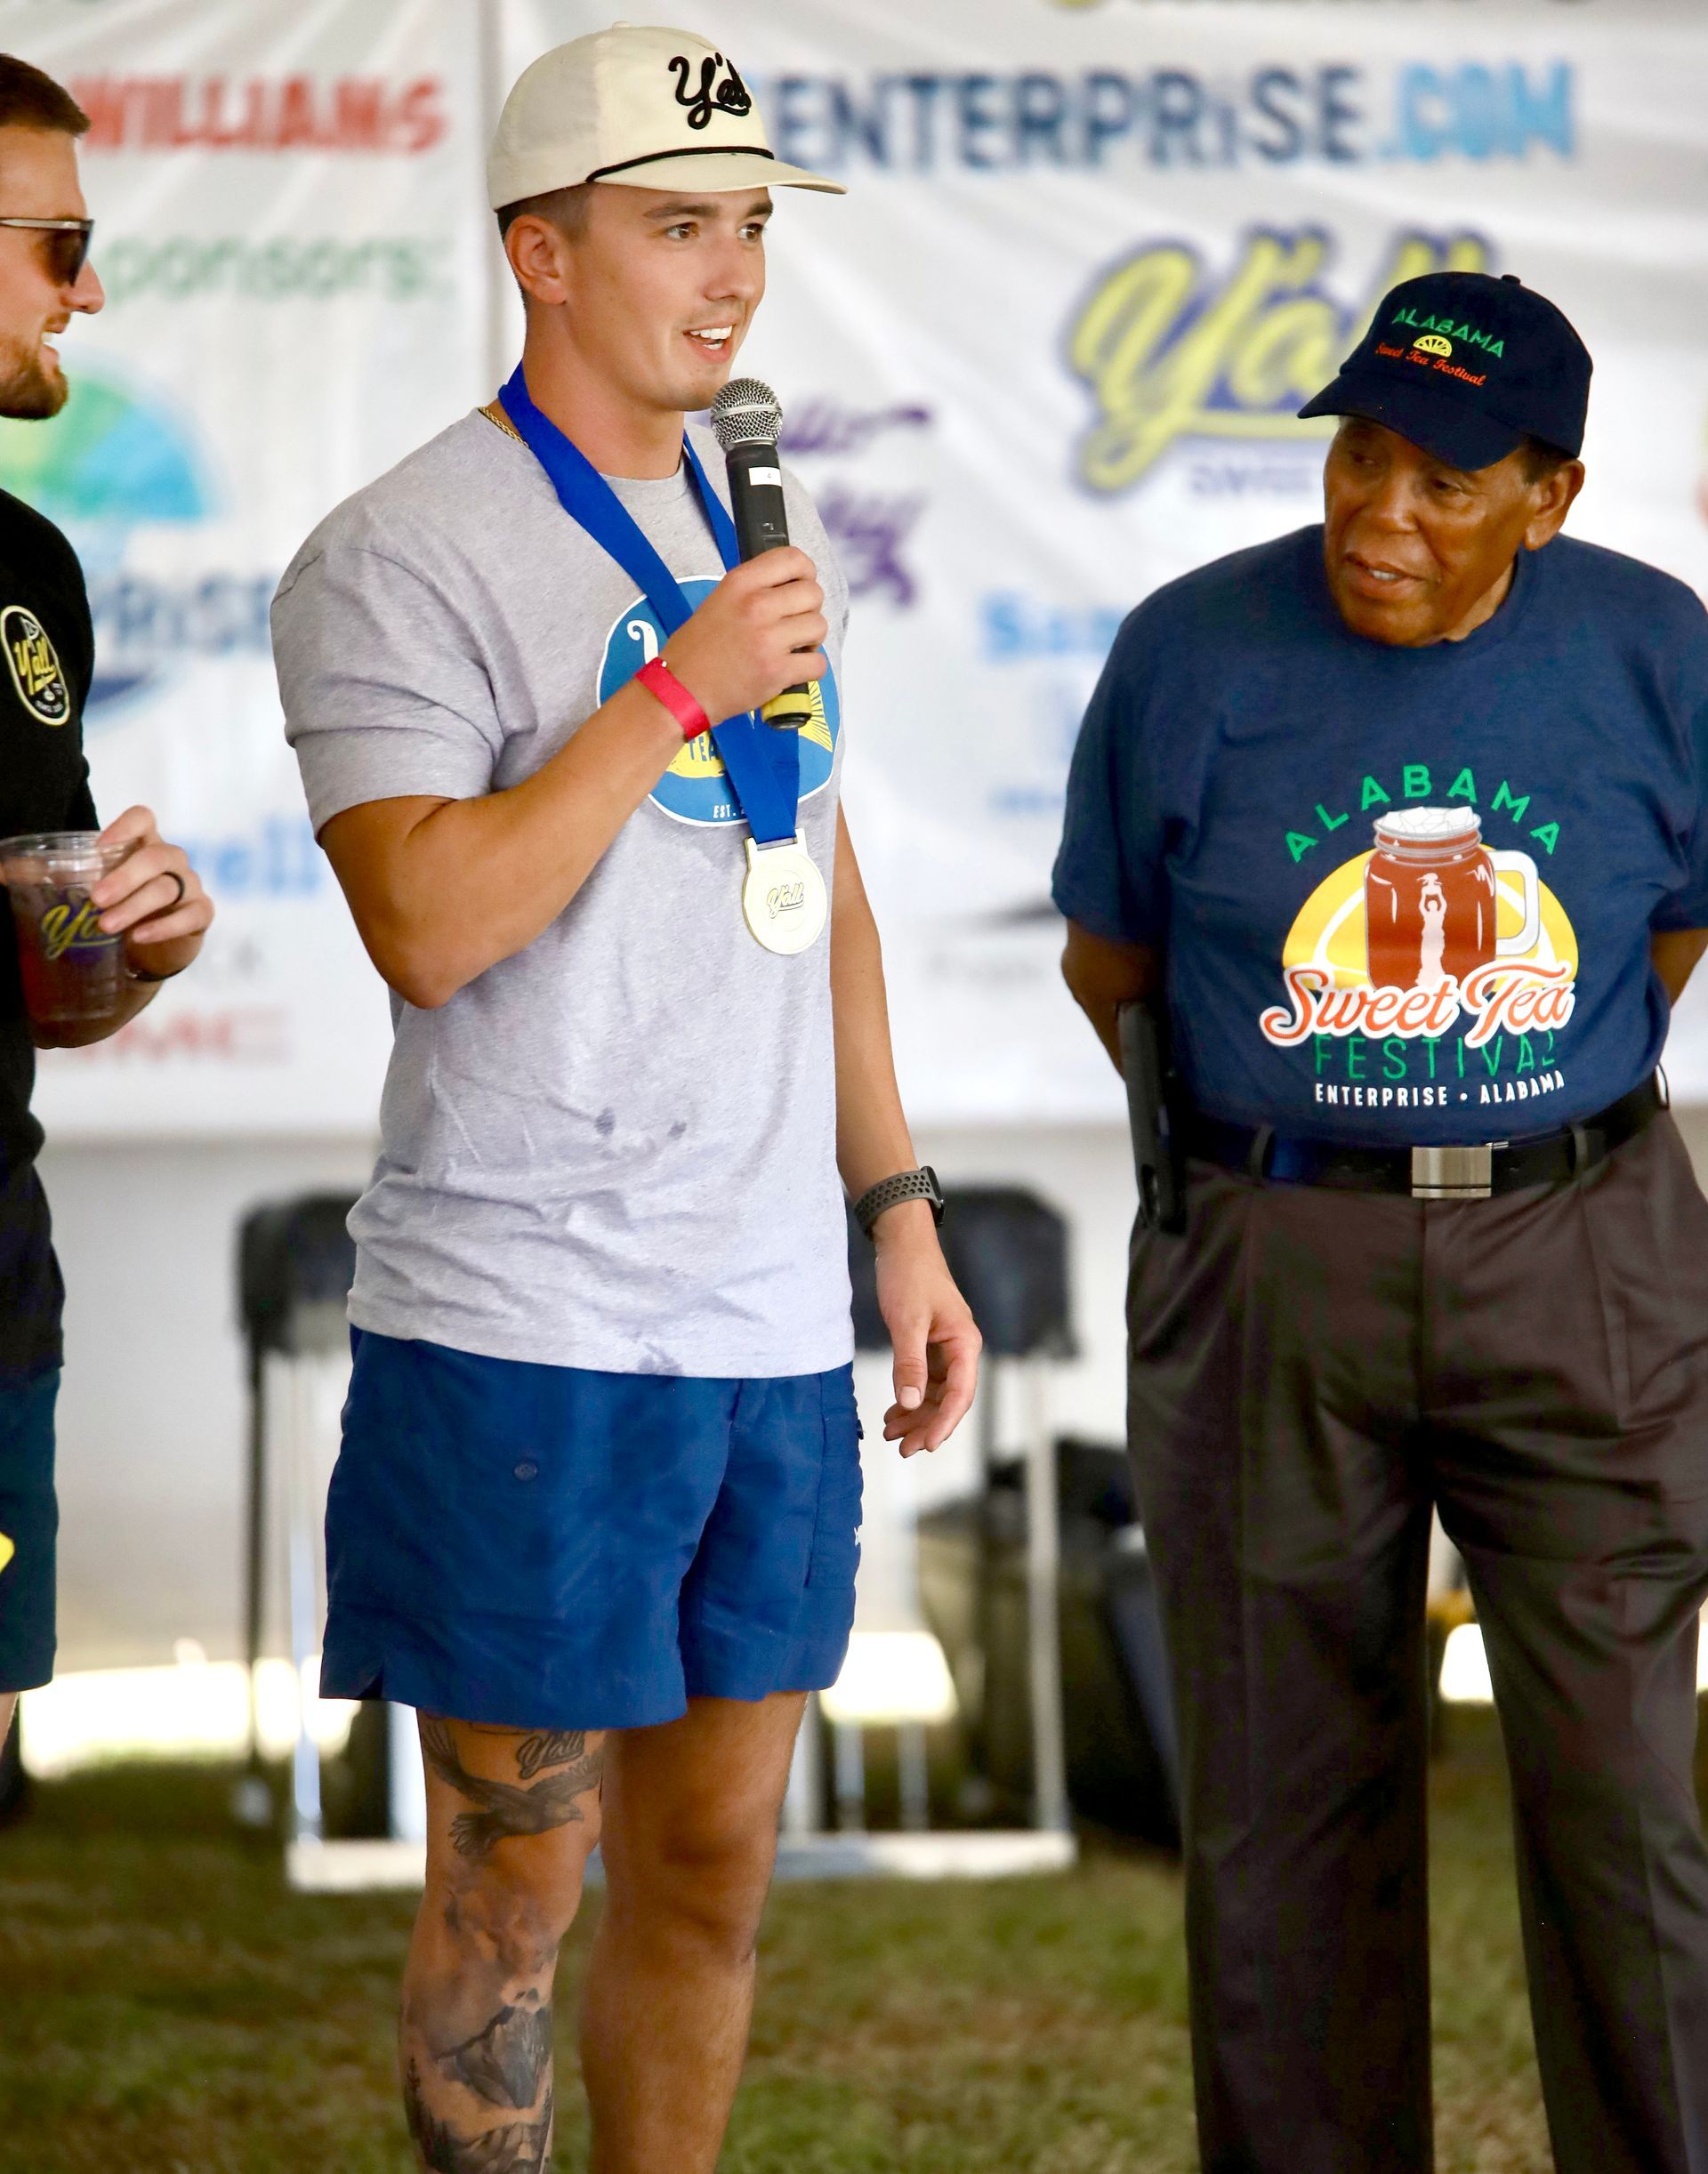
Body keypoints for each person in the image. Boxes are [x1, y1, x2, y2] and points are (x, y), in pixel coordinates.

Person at [271, 26, 979, 2173]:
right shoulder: (397, 552)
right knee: (519, 1891)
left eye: (753, 221)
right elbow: (432, 919)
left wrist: (901, 1204)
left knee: (715, 1877)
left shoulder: (752, 523)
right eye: (680, 224)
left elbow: (821, 876)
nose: (736, 272)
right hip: (529, 1322)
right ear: (542, 255)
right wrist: (672, 680)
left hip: (769, 1316)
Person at [1054, 269, 1708, 2174]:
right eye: (1358, 455)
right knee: (1282, 1808)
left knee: (1625, 1800)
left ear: (1551, 496)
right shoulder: (1191, 651)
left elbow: (1667, 938)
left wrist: (1512, 1096)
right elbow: (1118, 962)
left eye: (1443, 478)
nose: (1378, 512)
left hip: (1582, 1253)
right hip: (1272, 1258)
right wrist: (1329, 1127)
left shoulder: (1657, 650)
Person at [0, 57, 214, 1775]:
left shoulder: (32, 567)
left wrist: (129, 945)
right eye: (60, 239)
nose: (92, 287)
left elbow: (54, 991)